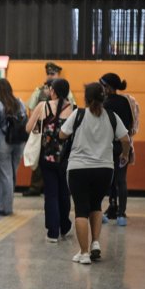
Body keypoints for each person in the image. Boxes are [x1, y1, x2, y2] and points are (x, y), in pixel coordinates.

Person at [59, 83, 130, 264]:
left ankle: (84, 253)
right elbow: (125, 139)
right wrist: (125, 154)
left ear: (86, 98)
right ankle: (95, 243)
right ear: (103, 98)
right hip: (104, 170)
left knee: (81, 209)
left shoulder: (79, 114)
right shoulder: (112, 117)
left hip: (78, 168)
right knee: (96, 205)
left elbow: (62, 134)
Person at [26, 78, 74, 242]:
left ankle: (53, 232)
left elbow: (28, 128)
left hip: (47, 157)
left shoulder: (43, 106)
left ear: (53, 91)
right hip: (67, 159)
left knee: (51, 194)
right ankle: (65, 226)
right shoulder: (73, 109)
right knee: (64, 193)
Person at [24, 62, 75, 197]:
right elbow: (31, 109)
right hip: (45, 136)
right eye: (48, 74)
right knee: (40, 167)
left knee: (54, 185)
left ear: (58, 75)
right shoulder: (39, 91)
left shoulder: (67, 92)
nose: (50, 76)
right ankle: (36, 187)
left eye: (53, 74)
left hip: (58, 143)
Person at [0, 78, 27, 216]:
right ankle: (1, 205)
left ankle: (6, 208)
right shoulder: (20, 103)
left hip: (2, 142)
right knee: (11, 174)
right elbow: (25, 120)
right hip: (19, 142)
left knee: (4, 175)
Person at [100, 73, 136, 226]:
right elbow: (130, 124)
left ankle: (111, 208)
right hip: (123, 146)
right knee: (121, 180)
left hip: (108, 147)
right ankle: (121, 214)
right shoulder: (126, 101)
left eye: (102, 85)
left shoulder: (105, 103)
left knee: (108, 179)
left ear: (108, 87)